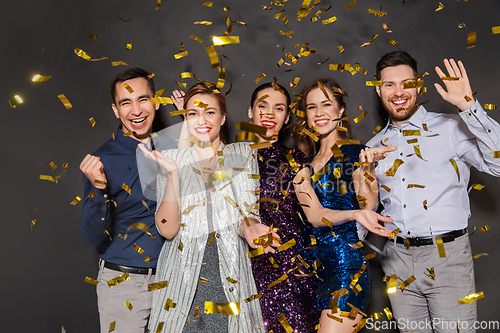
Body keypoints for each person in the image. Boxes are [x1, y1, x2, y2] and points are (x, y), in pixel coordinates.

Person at [367, 51, 500, 332]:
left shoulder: (452, 127)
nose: (399, 92)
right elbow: (366, 208)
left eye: (407, 83)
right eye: (389, 84)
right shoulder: (373, 146)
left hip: (448, 257)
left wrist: (469, 106)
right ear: (379, 90)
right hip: (396, 260)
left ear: (418, 86)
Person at [139, 82, 268, 333]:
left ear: (222, 117)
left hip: (228, 275)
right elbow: (167, 229)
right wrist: (174, 175)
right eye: (193, 113)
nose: (202, 119)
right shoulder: (172, 159)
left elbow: (247, 215)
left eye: (209, 111)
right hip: (181, 278)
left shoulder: (243, 154)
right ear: (186, 119)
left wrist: (251, 229)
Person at [292, 78, 394, 333]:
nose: (319, 113)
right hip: (310, 272)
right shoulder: (303, 166)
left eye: (326, 104)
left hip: (345, 266)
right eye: (312, 107)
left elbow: (367, 204)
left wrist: (367, 168)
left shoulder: (356, 153)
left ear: (340, 110)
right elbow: (314, 215)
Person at [79, 68, 176, 333]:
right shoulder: (102, 160)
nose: (136, 110)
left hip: (173, 281)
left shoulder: (172, 148)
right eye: (126, 102)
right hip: (122, 284)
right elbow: (93, 235)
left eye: (142, 99)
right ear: (115, 110)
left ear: (155, 102)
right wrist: (97, 190)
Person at [246, 82, 318, 332]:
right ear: (250, 112)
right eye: (262, 106)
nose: (268, 114)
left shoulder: (296, 161)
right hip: (244, 271)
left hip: (289, 272)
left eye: (278, 108)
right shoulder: (230, 159)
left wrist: (354, 213)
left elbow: (314, 212)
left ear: (286, 117)